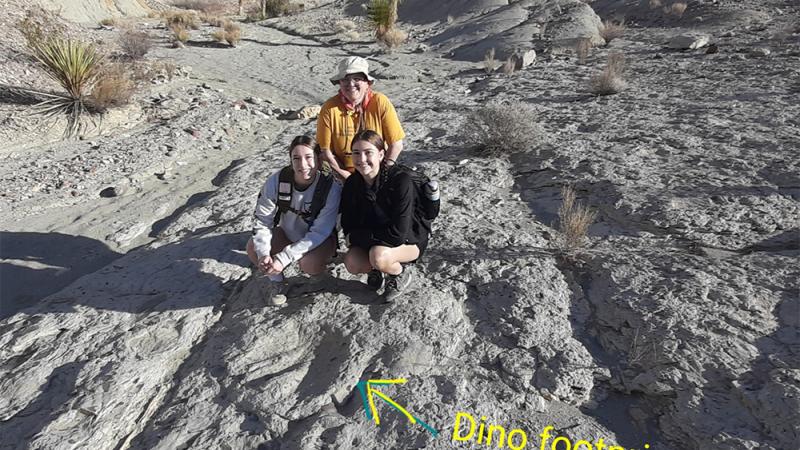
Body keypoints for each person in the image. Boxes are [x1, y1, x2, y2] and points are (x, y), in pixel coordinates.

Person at [247, 135, 342, 305]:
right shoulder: (276, 181)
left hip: (320, 240)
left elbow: (320, 231)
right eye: (296, 158)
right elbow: (262, 220)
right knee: (254, 248)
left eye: (308, 157)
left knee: (309, 263)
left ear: (318, 159)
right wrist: (263, 254)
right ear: (290, 160)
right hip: (287, 233)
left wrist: (284, 257)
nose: (303, 165)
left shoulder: (330, 188)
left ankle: (319, 279)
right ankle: (277, 282)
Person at [339, 130, 431, 302]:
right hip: (378, 238)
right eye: (356, 153)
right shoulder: (352, 184)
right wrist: (357, 236)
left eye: (368, 153)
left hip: (410, 240)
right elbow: (348, 225)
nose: (361, 159)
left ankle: (399, 272)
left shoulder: (400, 181)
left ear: (381, 155)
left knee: (378, 256)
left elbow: (398, 235)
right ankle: (375, 270)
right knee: (352, 262)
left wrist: (361, 237)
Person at [317, 56, 405, 180]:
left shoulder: (380, 102)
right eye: (345, 80)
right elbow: (326, 152)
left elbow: (396, 144)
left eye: (357, 79)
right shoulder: (329, 108)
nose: (351, 84)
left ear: (367, 82)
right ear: (340, 83)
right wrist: (348, 178)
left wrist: (383, 173)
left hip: (378, 172)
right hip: (342, 174)